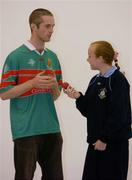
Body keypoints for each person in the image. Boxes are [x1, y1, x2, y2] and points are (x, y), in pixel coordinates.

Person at [0, 8, 64, 180]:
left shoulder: (53, 57)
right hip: (25, 131)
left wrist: (54, 88)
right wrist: (32, 83)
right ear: (33, 27)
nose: (51, 30)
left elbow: (56, 95)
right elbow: (4, 94)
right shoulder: (15, 57)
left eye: (53, 26)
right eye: (47, 26)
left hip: (52, 129)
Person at [64, 41, 132, 180]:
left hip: (112, 145)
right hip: (96, 143)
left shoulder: (118, 80)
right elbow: (90, 111)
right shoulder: (95, 80)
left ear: (100, 58)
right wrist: (78, 97)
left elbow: (119, 115)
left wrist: (104, 139)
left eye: (90, 55)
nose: (87, 59)